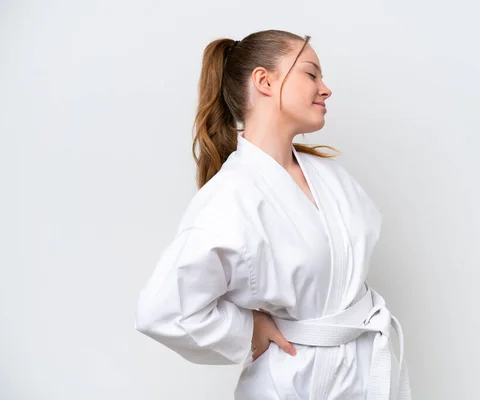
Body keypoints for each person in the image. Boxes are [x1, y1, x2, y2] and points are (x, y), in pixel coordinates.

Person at [135, 29, 411, 400]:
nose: (325, 89)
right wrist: (246, 329)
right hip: (294, 381)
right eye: (311, 74)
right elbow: (163, 311)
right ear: (264, 80)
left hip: (362, 374)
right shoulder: (231, 196)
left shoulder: (330, 176)